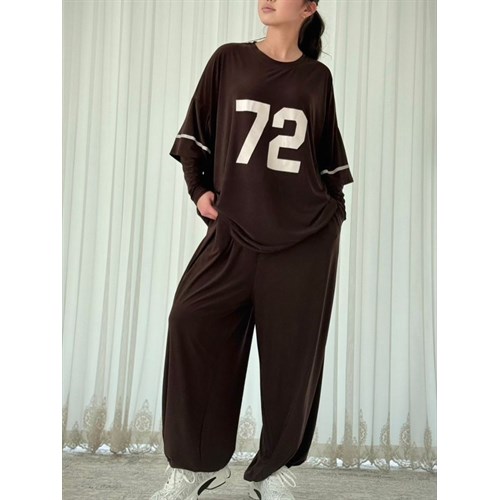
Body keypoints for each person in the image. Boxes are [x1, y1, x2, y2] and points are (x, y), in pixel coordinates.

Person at [150, 1, 354, 499]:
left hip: (303, 241)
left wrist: (333, 217)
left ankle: (273, 471)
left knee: (292, 358)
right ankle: (196, 466)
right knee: (190, 320)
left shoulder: (317, 78)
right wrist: (198, 189)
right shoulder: (229, 59)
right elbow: (196, 134)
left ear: (308, 7)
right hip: (232, 234)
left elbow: (328, 162)